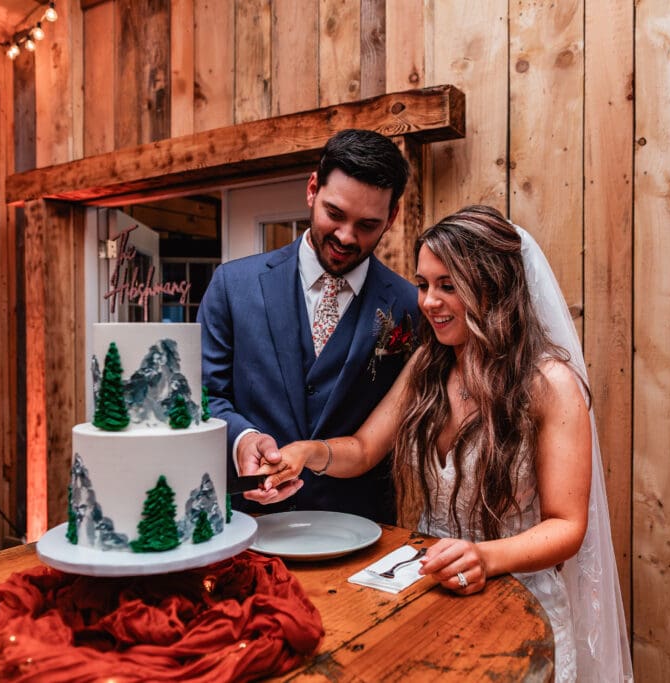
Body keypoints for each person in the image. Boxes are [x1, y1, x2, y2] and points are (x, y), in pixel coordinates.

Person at [256, 206, 633, 682]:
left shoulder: (550, 384)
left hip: (518, 596)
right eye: (423, 284)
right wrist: (309, 453)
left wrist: (485, 557)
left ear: (493, 286)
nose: (428, 301)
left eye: (447, 286)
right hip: (430, 586)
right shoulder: (426, 367)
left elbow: (566, 527)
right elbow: (364, 448)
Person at [198, 128, 419, 523]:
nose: (346, 236)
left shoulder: (409, 305)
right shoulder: (233, 286)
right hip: (248, 526)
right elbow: (202, 397)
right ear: (312, 189)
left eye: (367, 224)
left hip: (359, 531)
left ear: (392, 217)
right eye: (334, 214)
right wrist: (243, 439)